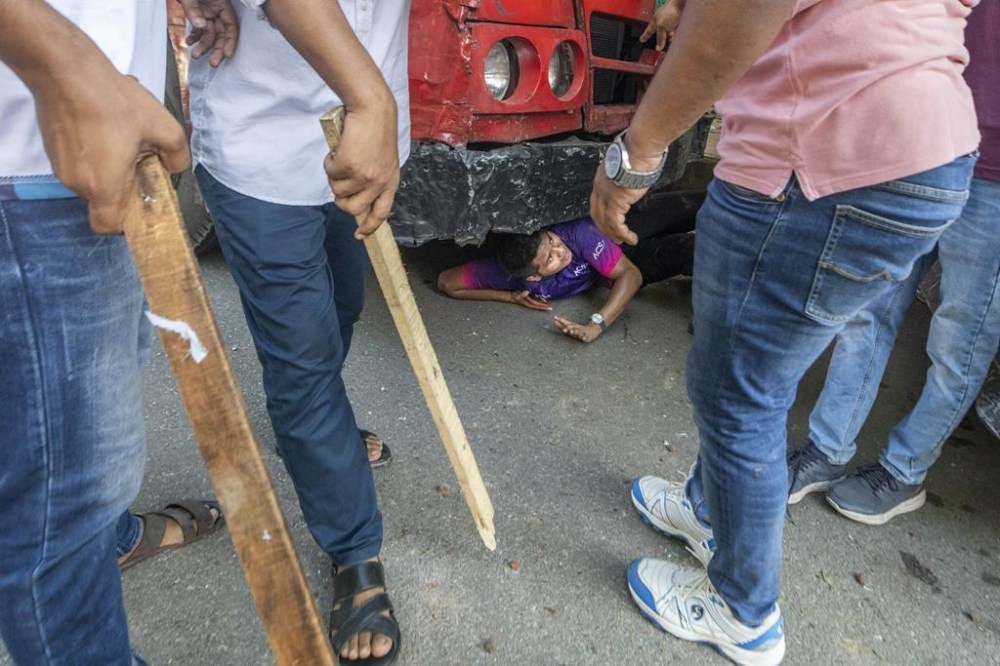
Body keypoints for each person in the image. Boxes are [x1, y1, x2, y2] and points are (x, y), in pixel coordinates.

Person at [589, 0, 979, 663]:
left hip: (826, 152)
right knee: (757, 375)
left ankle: (743, 610)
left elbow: (736, 22)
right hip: (914, 149)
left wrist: (638, 151)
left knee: (739, 394)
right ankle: (709, 513)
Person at [0, 0, 234, 662]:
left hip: (90, 146)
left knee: (78, 453)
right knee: (56, 511)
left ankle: (107, 536)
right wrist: (62, 63)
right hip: (32, 156)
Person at [187, 2, 409, 663]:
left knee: (340, 309)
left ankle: (316, 438)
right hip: (262, 142)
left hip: (360, 144)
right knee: (304, 362)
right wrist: (371, 101)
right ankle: (352, 550)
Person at [787, 0, 1000, 524]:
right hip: (928, 141)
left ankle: (905, 471)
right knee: (869, 308)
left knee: (959, 339)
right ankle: (827, 450)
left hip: (996, 176)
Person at [436, 216, 694, 342]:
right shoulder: (510, 274)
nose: (560, 251)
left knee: (693, 207)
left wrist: (596, 325)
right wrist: (510, 297)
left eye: (552, 241)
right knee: (692, 248)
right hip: (616, 267)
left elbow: (630, 275)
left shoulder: (577, 236)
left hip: (612, 236)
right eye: (550, 260)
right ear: (536, 275)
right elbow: (447, 282)